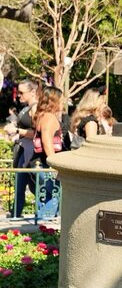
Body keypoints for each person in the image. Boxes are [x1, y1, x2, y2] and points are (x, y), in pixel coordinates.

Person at [6, 79, 40, 217]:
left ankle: (46, 212)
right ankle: (16, 212)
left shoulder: (35, 108)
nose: (18, 95)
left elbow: (37, 133)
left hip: (31, 151)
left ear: (32, 92)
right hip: (23, 149)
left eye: (21, 92)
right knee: (21, 183)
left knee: (35, 184)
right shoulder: (26, 107)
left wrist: (17, 130)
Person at [32, 85, 67, 215]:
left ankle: (42, 223)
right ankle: (45, 224)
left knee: (46, 196)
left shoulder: (41, 116)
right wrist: (54, 166)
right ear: (54, 101)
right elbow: (46, 141)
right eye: (61, 99)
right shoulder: (49, 118)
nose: (63, 102)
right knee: (54, 195)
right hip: (46, 165)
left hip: (40, 163)